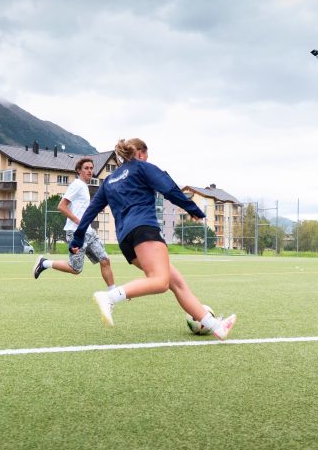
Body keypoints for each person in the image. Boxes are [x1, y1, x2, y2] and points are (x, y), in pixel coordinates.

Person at [69, 138, 237, 340]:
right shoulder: (142, 168)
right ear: (140, 153)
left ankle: (216, 327)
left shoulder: (109, 181)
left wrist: (77, 240)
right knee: (160, 282)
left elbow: (90, 211)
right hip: (144, 230)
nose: (147, 159)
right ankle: (110, 297)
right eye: (147, 155)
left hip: (126, 241)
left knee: (177, 283)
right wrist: (192, 209)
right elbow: (168, 188)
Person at [33, 158, 116, 290]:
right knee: (75, 269)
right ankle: (44, 263)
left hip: (88, 232)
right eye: (86, 168)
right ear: (79, 171)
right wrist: (78, 221)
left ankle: (113, 292)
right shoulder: (77, 184)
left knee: (105, 260)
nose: (90, 171)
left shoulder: (84, 187)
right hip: (76, 232)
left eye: (91, 168)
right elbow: (62, 206)